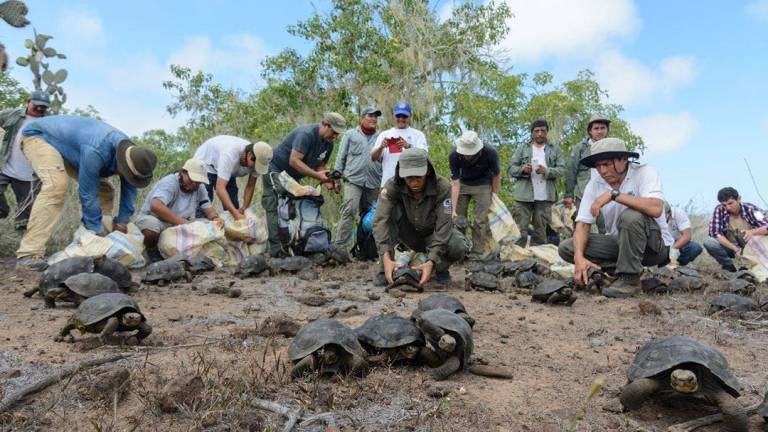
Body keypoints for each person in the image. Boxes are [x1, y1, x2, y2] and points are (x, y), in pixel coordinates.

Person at [16, 115, 157, 270]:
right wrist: (93, 231)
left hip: (73, 148)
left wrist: (122, 223)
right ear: (121, 164)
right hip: (40, 137)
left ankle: (101, 246)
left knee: (105, 190)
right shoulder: (96, 151)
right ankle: (29, 254)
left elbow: (129, 191)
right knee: (56, 186)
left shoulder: (135, 158)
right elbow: (88, 194)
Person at [558, 138, 672, 298]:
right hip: (620, 244)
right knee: (568, 248)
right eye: (598, 166)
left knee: (631, 216)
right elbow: (583, 224)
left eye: (607, 164)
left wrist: (614, 195)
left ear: (623, 160)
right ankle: (607, 274)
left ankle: (629, 280)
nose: (602, 171)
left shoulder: (644, 173)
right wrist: (579, 258)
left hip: (654, 248)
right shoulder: (594, 184)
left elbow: (656, 208)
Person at [372, 148, 469, 288]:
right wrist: (386, 258)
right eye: (409, 178)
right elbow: (380, 221)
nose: (414, 183)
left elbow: (444, 225)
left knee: (459, 245)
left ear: (428, 171)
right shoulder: (392, 186)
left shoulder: (442, 187)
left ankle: (438, 268)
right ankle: (384, 269)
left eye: (418, 177)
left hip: (432, 234)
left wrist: (432, 260)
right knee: (386, 216)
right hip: (406, 233)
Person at [263, 112, 347, 256]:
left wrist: (328, 181)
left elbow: (320, 164)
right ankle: (276, 250)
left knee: (293, 209)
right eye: (334, 132)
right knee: (274, 206)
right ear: (325, 125)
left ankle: (294, 246)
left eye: (337, 134)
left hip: (294, 176)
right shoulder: (306, 134)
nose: (335, 136)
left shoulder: (329, 143)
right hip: (276, 170)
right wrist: (316, 175)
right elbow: (294, 160)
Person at [134, 159, 223, 262]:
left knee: (206, 224)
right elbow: (156, 205)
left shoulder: (199, 187)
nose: (194, 185)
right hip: (159, 221)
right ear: (182, 172)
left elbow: (207, 207)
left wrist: (215, 218)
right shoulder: (170, 183)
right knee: (151, 227)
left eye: (197, 183)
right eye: (191, 181)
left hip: (179, 224)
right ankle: (152, 251)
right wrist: (183, 223)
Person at [508, 119, 565, 247]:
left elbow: (562, 170)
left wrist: (546, 171)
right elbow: (511, 169)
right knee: (519, 231)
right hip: (523, 196)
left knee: (541, 232)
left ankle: (539, 262)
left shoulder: (554, 149)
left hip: (545, 196)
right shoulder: (522, 148)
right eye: (536, 131)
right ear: (532, 133)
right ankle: (517, 260)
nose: (539, 134)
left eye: (542, 131)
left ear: (547, 132)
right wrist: (523, 169)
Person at [333, 106, 383, 250]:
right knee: (349, 210)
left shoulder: (381, 137)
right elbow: (340, 157)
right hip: (352, 180)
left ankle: (365, 249)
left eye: (376, 116)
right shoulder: (350, 134)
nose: (373, 119)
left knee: (370, 217)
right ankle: (339, 248)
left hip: (373, 182)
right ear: (361, 118)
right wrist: (336, 179)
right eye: (370, 115)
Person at [0, 90, 50, 231]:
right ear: (28, 102)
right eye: (37, 104)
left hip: (30, 175)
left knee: (25, 211)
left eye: (44, 106)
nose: (40, 108)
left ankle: (21, 244)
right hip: (5, 166)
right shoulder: (12, 115)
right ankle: (2, 211)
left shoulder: (49, 123)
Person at [193, 135, 272, 221]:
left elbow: (250, 186)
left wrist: (243, 209)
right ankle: (201, 229)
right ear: (249, 155)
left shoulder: (259, 160)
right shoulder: (230, 154)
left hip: (228, 170)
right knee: (205, 201)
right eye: (255, 165)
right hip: (206, 163)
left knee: (234, 205)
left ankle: (232, 231)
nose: (255, 169)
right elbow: (220, 189)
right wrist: (235, 214)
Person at [448, 130, 500, 260]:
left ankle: (477, 252)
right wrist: (452, 209)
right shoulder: (454, 154)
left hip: (483, 184)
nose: (467, 156)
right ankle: (459, 251)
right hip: (463, 184)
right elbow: (455, 183)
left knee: (480, 219)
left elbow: (496, 175)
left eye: (470, 153)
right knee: (458, 219)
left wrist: (493, 194)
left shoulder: (490, 152)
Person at [704, 187, 768, 272]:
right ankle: (729, 267)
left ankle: (755, 267)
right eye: (724, 205)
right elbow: (715, 233)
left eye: (730, 203)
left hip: (753, 245)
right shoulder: (719, 210)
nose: (728, 208)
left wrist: (752, 232)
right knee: (709, 242)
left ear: (739, 199)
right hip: (732, 247)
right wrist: (736, 249)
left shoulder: (751, 209)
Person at [371, 100, 428, 187]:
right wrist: (381, 147)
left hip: (410, 183)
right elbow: (373, 157)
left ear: (409, 116)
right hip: (388, 182)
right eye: (398, 116)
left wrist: (408, 146)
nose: (401, 119)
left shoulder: (418, 135)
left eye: (404, 116)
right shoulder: (384, 134)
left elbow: (424, 156)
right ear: (393, 116)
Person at [564, 115, 610, 209]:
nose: (599, 131)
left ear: (607, 130)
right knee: (582, 222)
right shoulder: (579, 148)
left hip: (607, 194)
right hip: (583, 194)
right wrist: (569, 195)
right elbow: (571, 172)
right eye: (596, 128)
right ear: (590, 131)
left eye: (603, 128)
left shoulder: (612, 147)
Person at [664, 202, 702, 266]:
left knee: (695, 247)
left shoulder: (678, 213)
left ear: (669, 212)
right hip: (662, 243)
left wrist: (673, 249)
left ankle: (678, 264)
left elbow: (687, 236)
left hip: (677, 242)